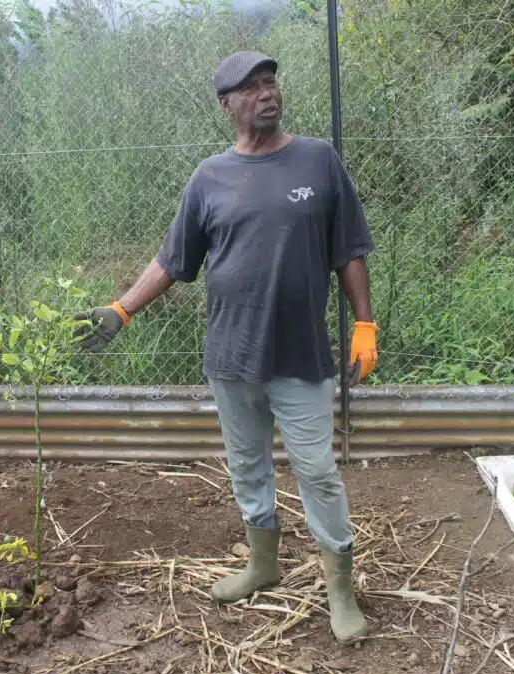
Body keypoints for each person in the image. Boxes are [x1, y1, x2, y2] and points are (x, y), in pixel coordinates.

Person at [74, 51, 378, 641]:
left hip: (301, 354)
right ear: (227, 104)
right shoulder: (210, 177)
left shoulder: (318, 160)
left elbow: (349, 250)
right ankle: (263, 566)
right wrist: (121, 309)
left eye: (272, 83)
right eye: (253, 87)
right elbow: (174, 260)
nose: (268, 93)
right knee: (247, 465)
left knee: (318, 471)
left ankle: (340, 590)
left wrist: (365, 324)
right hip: (233, 355)